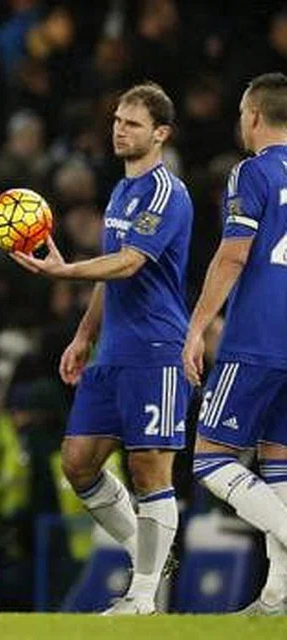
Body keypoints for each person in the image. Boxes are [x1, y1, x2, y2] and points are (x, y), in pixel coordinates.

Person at [11, 82, 193, 615]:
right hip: (111, 351)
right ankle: (149, 554)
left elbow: (130, 263)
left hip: (157, 348)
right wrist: (85, 335)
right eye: (117, 119)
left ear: (160, 134)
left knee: (148, 470)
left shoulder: (166, 193)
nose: (119, 129)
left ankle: (142, 596)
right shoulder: (121, 192)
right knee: (78, 462)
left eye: (132, 124)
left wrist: (65, 271)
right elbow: (109, 273)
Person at [184, 72, 287, 616]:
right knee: (278, 463)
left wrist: (198, 325)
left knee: (210, 458)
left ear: (252, 117)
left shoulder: (251, 172)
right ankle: (276, 600)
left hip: (258, 339)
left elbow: (232, 254)